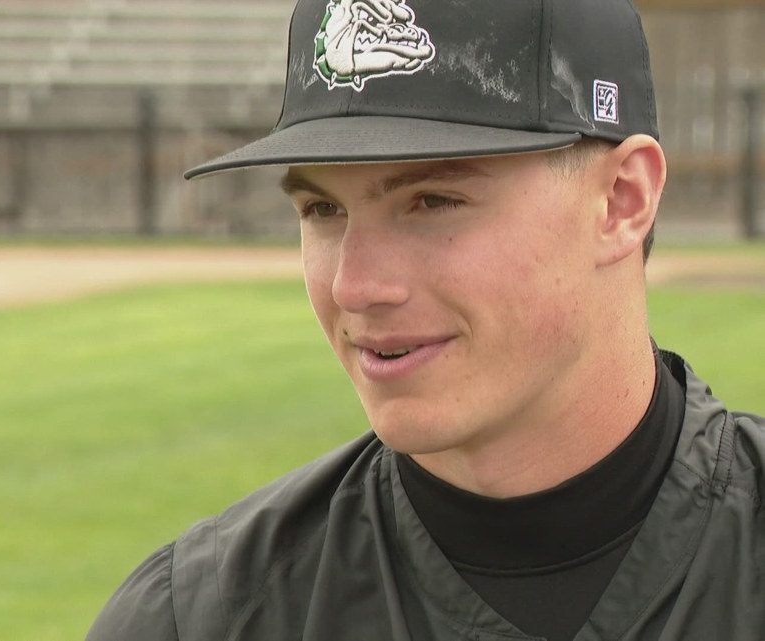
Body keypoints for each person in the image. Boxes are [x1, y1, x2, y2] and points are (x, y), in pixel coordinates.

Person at [86, 0, 765, 639]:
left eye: (432, 200)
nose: (355, 286)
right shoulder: (199, 618)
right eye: (323, 210)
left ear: (621, 200)